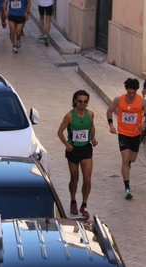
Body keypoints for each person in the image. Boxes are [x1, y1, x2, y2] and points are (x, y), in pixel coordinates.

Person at [106, 78, 146, 199]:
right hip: (123, 133)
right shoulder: (119, 100)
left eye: (133, 92)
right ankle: (127, 188)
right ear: (126, 90)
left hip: (136, 134)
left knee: (132, 158)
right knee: (125, 159)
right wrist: (111, 125)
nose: (131, 95)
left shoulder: (142, 101)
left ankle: (128, 164)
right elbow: (109, 111)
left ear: (136, 91)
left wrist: (145, 124)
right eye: (129, 92)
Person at [57, 90, 98, 219]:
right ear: (75, 100)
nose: (83, 104)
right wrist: (66, 144)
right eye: (80, 101)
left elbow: (91, 127)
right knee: (74, 177)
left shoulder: (90, 114)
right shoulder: (69, 116)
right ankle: (73, 200)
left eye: (85, 101)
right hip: (73, 149)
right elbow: (59, 132)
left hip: (86, 148)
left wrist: (93, 138)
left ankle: (84, 205)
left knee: (87, 179)